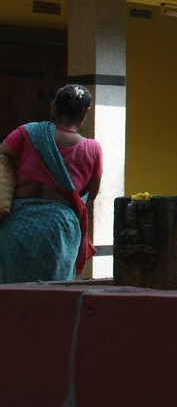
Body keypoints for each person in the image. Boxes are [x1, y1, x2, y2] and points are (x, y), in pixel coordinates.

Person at [0, 84, 102, 283]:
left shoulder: (28, 133)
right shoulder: (93, 148)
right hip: (59, 231)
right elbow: (92, 194)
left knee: (9, 293)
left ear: (54, 108)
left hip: (16, 227)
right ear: (85, 114)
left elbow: (3, 155)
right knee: (53, 296)